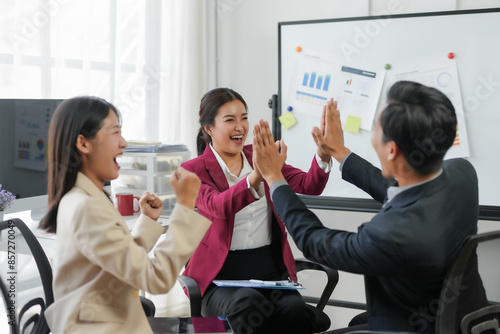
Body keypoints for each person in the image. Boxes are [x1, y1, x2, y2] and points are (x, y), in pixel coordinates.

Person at [252, 81, 489, 333]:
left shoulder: (389, 234)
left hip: (412, 327)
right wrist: (341, 153)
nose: (373, 133)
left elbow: (313, 240)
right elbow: (399, 189)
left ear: (391, 149)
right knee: (357, 323)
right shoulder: (462, 175)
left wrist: (274, 178)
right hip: (463, 320)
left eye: (375, 127)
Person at [38, 96, 211, 334]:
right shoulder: (86, 207)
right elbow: (155, 278)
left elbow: (122, 263)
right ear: (83, 143)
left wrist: (148, 221)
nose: (124, 143)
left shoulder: (82, 198)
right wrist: (184, 207)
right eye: (115, 132)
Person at [181, 87, 332, 334]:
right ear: (208, 128)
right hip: (219, 280)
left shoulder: (259, 155)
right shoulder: (191, 170)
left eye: (244, 117)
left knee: (294, 309)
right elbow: (220, 206)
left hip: (269, 273)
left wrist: (323, 156)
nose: (240, 126)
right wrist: (256, 176)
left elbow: (309, 185)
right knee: (248, 304)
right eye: (230, 120)